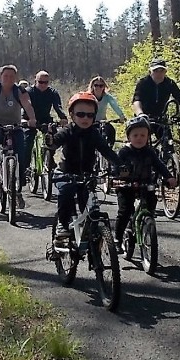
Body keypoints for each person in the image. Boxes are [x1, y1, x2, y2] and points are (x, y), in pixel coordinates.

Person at [47, 92, 122, 253]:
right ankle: (63, 225)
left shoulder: (95, 134)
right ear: (72, 115)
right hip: (65, 174)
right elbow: (56, 142)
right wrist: (51, 141)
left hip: (87, 176)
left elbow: (107, 151)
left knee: (88, 205)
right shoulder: (68, 131)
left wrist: (119, 166)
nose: (85, 118)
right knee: (66, 193)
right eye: (81, 114)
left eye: (90, 115)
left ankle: (94, 236)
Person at [113, 116, 176, 252]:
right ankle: (117, 238)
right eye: (135, 135)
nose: (139, 138)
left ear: (148, 136)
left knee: (150, 202)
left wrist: (169, 177)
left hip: (145, 184)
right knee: (124, 212)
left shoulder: (149, 152)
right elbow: (116, 166)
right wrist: (117, 176)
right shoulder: (124, 152)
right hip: (126, 186)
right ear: (129, 137)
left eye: (143, 135)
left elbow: (160, 166)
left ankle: (147, 222)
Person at [0, 65, 38, 208]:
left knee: (21, 149)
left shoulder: (19, 91)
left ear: (16, 78)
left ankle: (17, 190)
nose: (8, 79)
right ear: (0, 77)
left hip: (15, 126)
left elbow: (28, 105)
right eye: (5, 76)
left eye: (12, 76)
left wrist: (32, 119)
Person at [24, 71, 69, 178]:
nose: (43, 85)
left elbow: (58, 106)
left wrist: (63, 118)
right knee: (28, 141)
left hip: (45, 119)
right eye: (40, 82)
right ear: (35, 81)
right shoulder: (28, 91)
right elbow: (25, 106)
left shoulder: (52, 92)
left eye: (46, 82)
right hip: (29, 119)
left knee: (53, 138)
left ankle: (50, 158)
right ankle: (25, 167)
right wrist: (28, 120)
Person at [89, 76, 127, 146]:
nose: (98, 88)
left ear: (104, 87)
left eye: (101, 86)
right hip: (90, 122)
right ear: (92, 86)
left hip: (103, 122)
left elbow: (115, 106)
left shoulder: (107, 97)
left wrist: (121, 116)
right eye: (96, 85)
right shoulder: (89, 97)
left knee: (111, 131)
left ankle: (109, 151)